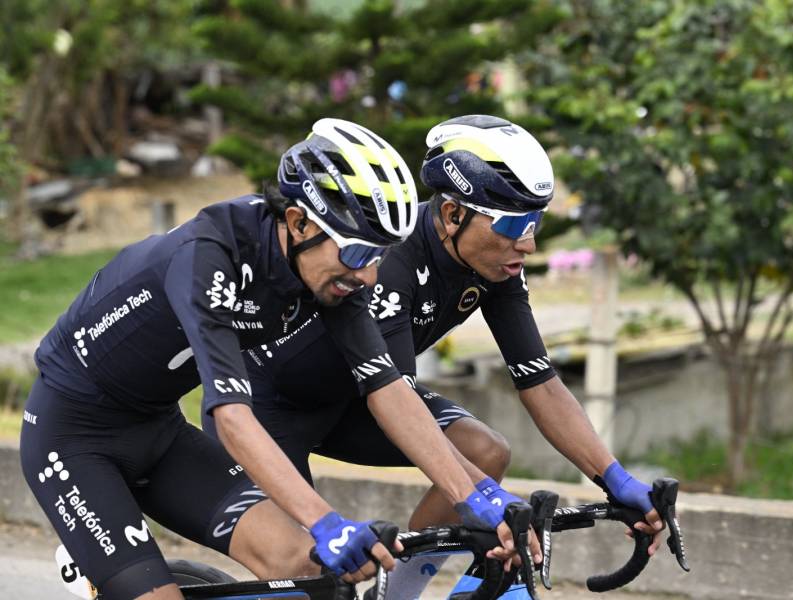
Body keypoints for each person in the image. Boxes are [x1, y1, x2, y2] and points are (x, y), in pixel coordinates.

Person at [230, 115, 666, 600]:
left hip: (356, 399)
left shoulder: (496, 264)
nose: (529, 242)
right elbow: (397, 400)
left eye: (536, 222)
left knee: (486, 450)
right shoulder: (392, 260)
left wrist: (614, 476)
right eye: (515, 225)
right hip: (275, 409)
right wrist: (487, 500)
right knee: (309, 571)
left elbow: (540, 381)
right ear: (454, 214)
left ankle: (394, 594)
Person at [20, 118, 454, 600]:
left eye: (380, 255)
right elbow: (230, 416)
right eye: (357, 252)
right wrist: (326, 521)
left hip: (158, 432)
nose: (370, 276)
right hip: (73, 439)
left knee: (303, 566)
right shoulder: (209, 254)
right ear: (299, 222)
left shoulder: (326, 273)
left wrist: (477, 498)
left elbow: (389, 388)